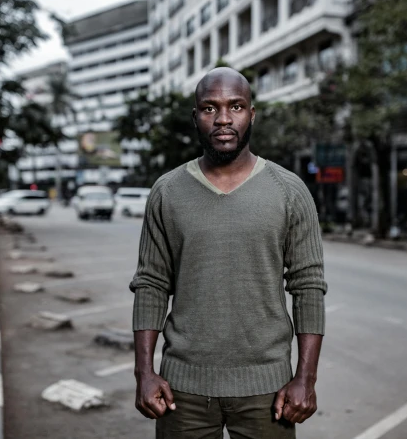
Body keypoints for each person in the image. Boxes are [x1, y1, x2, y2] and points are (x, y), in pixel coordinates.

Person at [129, 67, 328, 438]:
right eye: (210, 108)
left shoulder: (289, 191)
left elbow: (308, 287)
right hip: (182, 390)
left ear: (252, 114)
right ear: (195, 117)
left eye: (235, 107)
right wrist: (144, 372)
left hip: (267, 391)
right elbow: (151, 284)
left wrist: (305, 377)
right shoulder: (167, 191)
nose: (223, 119)